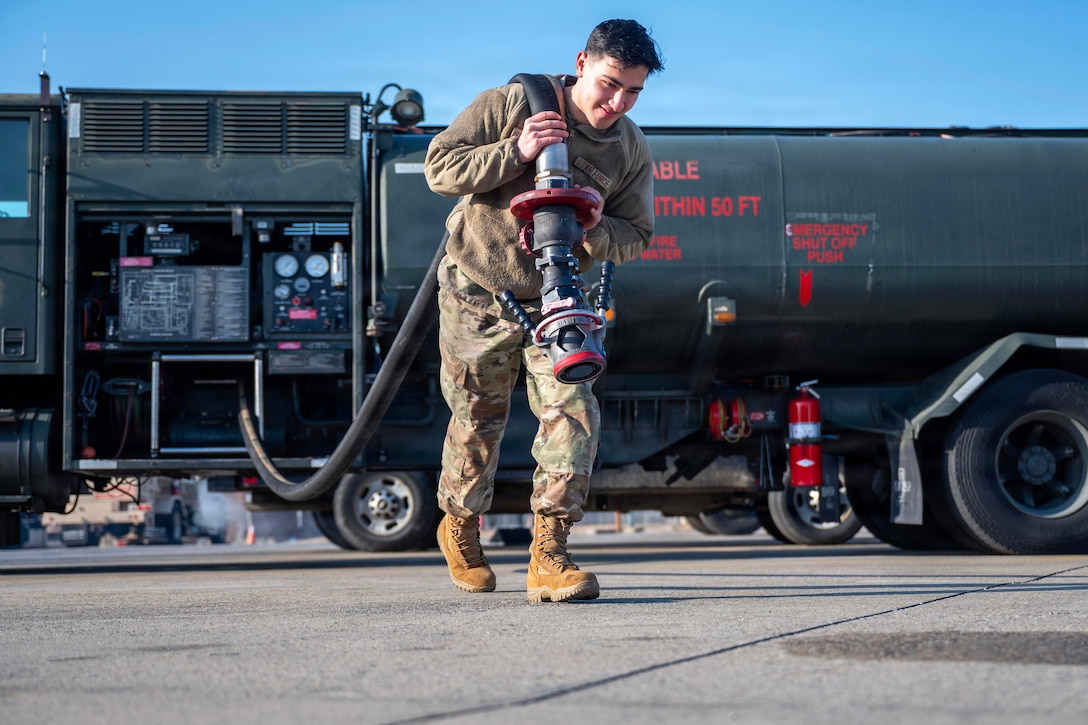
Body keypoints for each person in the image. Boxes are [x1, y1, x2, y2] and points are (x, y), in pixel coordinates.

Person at [423, 19, 664, 602]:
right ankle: (459, 524)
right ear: (582, 62)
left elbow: (637, 234)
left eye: (632, 91)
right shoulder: (510, 103)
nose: (617, 102)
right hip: (478, 290)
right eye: (610, 84)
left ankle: (550, 556)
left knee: (574, 411)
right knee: (478, 420)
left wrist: (593, 228)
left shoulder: (628, 145)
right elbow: (439, 168)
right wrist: (519, 149)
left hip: (555, 301)